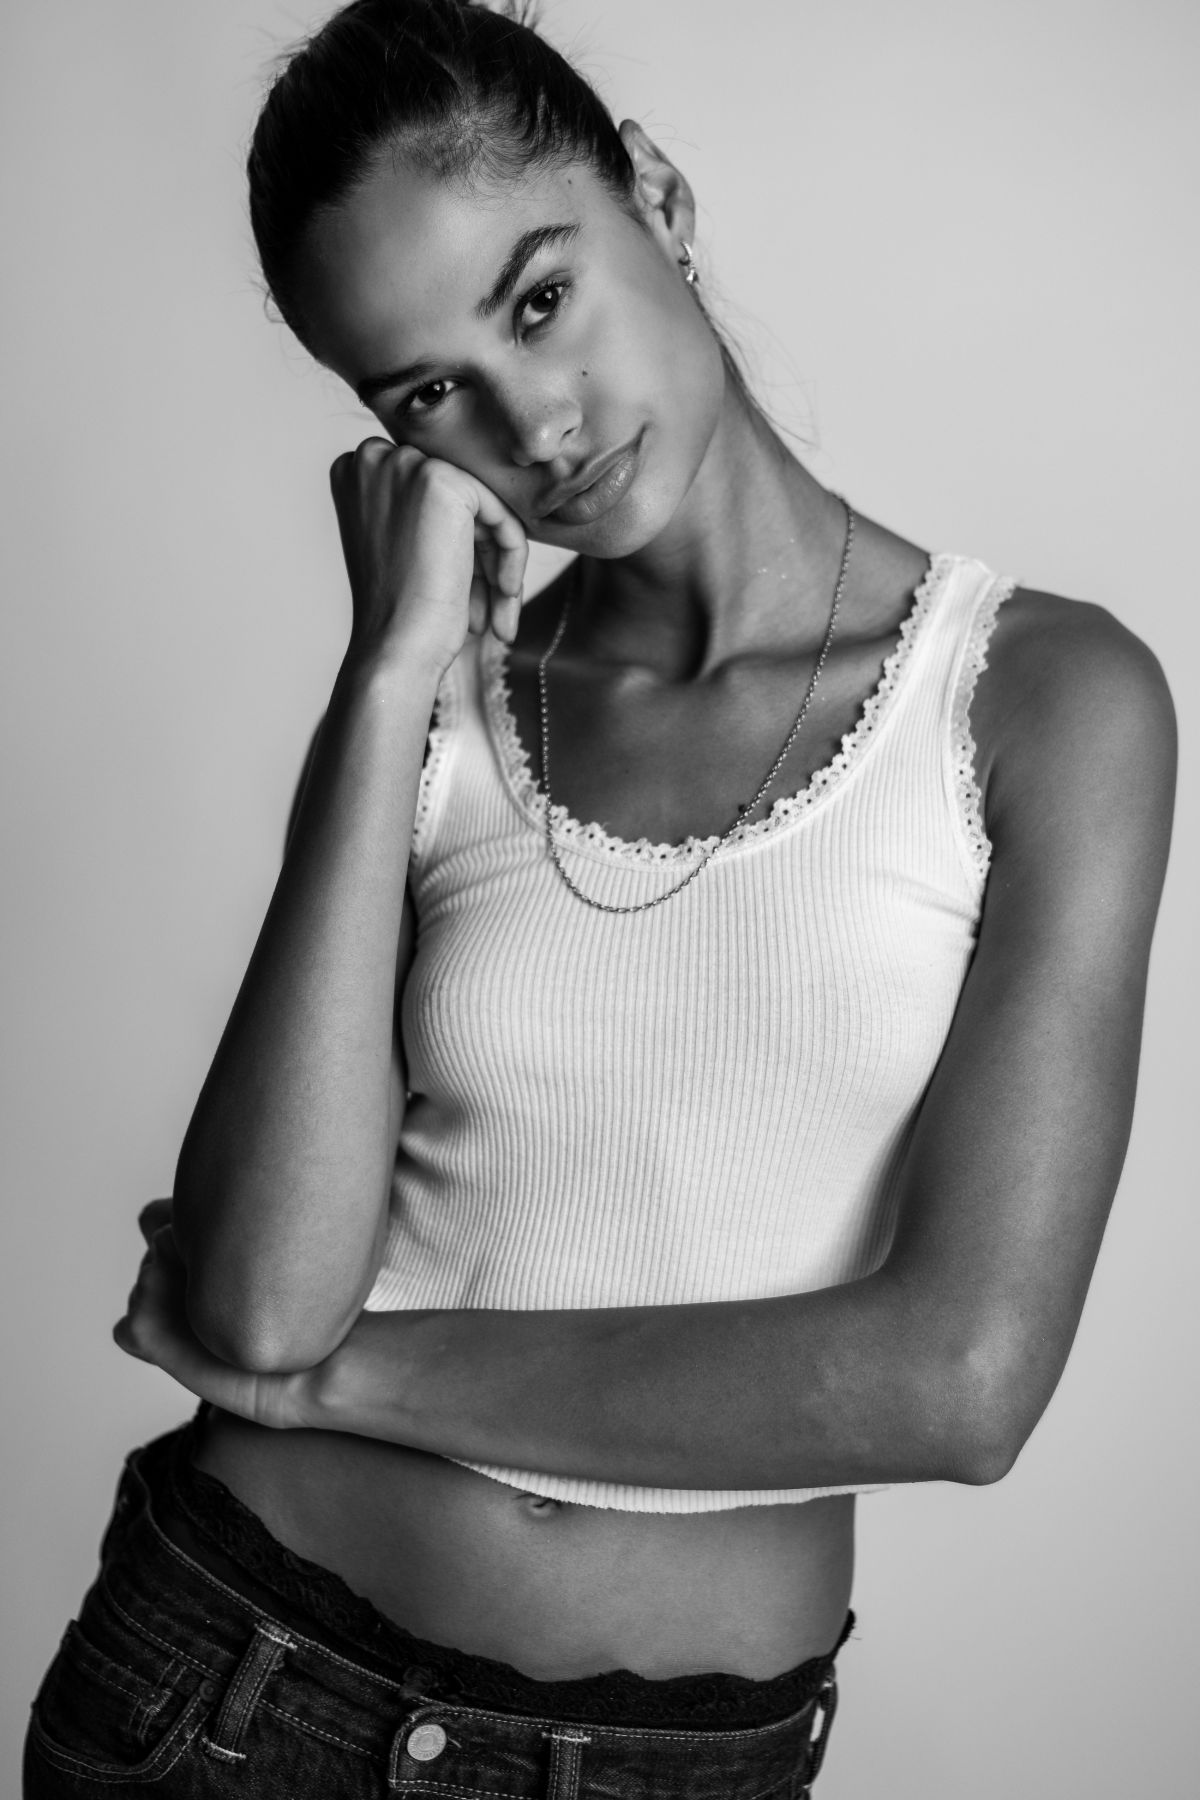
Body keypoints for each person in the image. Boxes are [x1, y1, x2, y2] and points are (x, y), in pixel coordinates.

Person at [23, 1, 1176, 1794]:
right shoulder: (440, 709)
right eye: (427, 394)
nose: (534, 423)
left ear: (657, 194)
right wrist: (388, 675)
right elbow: (251, 1310)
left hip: (669, 1761)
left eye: (541, 298)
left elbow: (959, 1380)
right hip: (231, 1692)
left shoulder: (1041, 702)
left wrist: (350, 1384)